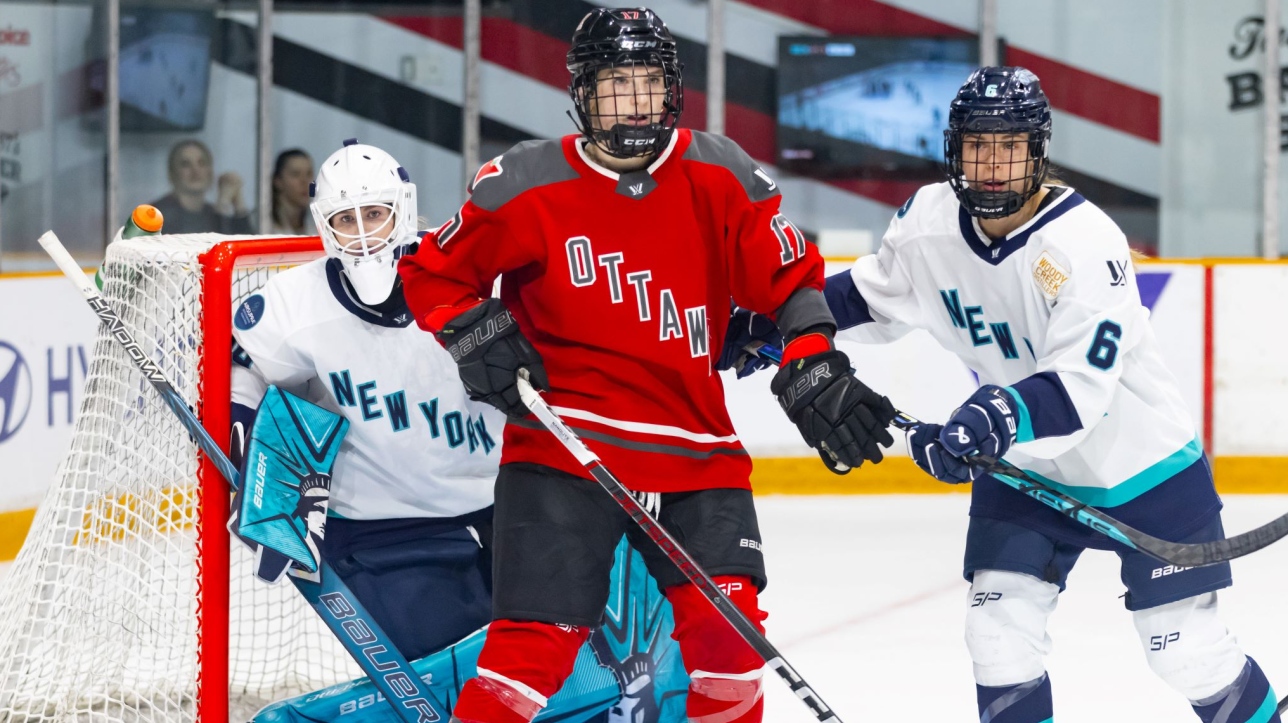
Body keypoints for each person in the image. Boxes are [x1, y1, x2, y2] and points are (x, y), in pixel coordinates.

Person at [397, 8, 896, 723]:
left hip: (695, 453)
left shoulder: (720, 171)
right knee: (527, 657)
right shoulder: (524, 182)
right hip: (563, 449)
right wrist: (474, 333)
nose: (635, 102)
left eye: (648, 83)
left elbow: (791, 279)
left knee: (732, 653)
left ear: (672, 92)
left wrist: (814, 355)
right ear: (582, 94)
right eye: (616, 84)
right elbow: (432, 274)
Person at [823, 66, 1280, 723]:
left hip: (1143, 470)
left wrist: (988, 416)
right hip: (1024, 470)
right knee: (998, 638)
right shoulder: (930, 225)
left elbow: (1078, 392)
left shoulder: (1086, 243)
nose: (993, 165)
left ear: (1037, 152)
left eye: (1010, 147)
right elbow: (862, 298)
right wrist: (768, 323)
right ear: (955, 151)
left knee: (1186, 651)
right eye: (979, 146)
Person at [230, 139, 501, 660]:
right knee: (454, 671)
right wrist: (249, 460)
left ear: (403, 210)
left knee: (558, 666)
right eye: (345, 220)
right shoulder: (294, 304)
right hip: (380, 530)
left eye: (374, 214)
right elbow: (243, 366)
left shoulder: (469, 272)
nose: (362, 235)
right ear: (323, 226)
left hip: (501, 507)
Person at [151, 139, 254, 235]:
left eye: (202, 163)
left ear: (210, 171)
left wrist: (237, 202)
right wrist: (222, 205)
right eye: (185, 164)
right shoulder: (156, 215)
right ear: (173, 172)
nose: (196, 171)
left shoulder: (211, 213)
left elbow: (248, 248)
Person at [269, 148, 316, 235]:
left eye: (309, 174)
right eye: (296, 174)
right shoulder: (260, 222)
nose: (305, 181)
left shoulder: (319, 222)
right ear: (278, 181)